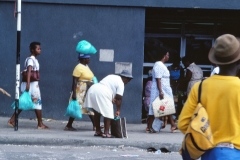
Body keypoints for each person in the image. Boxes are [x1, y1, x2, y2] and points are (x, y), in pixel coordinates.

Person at [178, 34, 240, 159]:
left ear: (215, 61)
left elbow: (183, 123)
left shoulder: (200, 87)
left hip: (209, 153)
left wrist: (203, 137)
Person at [7, 42, 49, 129]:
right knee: (37, 103)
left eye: (40, 48)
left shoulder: (34, 59)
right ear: (33, 50)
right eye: (38, 49)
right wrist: (28, 84)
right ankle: (40, 124)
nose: (40, 50)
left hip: (31, 84)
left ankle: (12, 119)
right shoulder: (31, 59)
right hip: (31, 85)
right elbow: (29, 71)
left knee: (23, 103)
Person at [84, 70, 133, 138]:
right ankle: (106, 133)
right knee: (108, 114)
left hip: (93, 89)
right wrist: (118, 110)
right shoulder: (121, 83)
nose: (128, 82)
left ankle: (98, 131)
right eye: (129, 80)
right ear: (126, 78)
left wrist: (112, 98)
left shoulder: (111, 76)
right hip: (102, 92)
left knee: (97, 112)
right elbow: (119, 98)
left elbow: (108, 87)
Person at [64, 50, 97, 131]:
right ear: (83, 59)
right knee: (77, 107)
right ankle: (69, 125)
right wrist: (74, 93)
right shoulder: (78, 67)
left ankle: (95, 125)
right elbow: (74, 81)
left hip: (87, 90)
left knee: (90, 107)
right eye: (87, 58)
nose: (89, 59)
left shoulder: (86, 66)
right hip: (80, 90)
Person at [147, 49, 178, 133]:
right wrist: (161, 91)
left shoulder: (162, 65)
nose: (168, 56)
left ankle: (172, 124)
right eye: (167, 55)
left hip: (165, 88)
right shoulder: (158, 65)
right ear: (164, 56)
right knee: (157, 107)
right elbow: (158, 79)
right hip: (160, 89)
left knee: (166, 106)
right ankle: (149, 126)